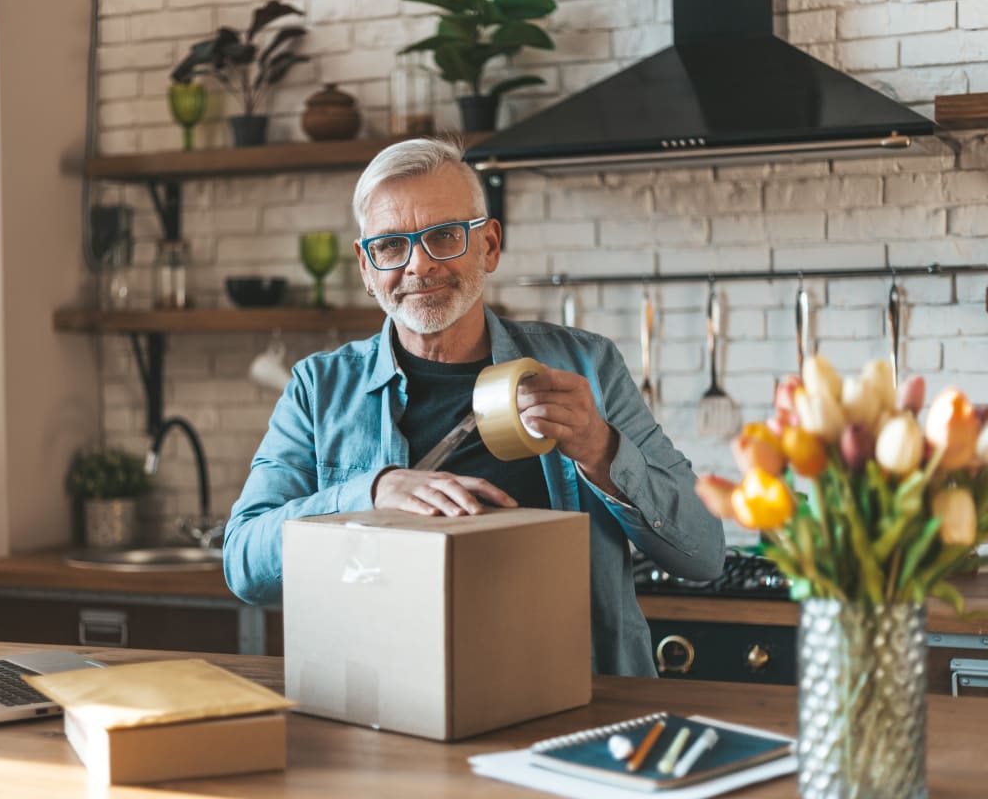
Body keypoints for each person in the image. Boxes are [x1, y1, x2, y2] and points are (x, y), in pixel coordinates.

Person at [223, 137, 724, 676]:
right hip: (394, 701)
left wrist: (603, 452)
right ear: (367, 269)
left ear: (488, 245)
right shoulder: (318, 389)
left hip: (579, 696)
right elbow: (244, 564)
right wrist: (369, 494)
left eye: (443, 236)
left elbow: (703, 554)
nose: (418, 265)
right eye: (391, 246)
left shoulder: (587, 365)